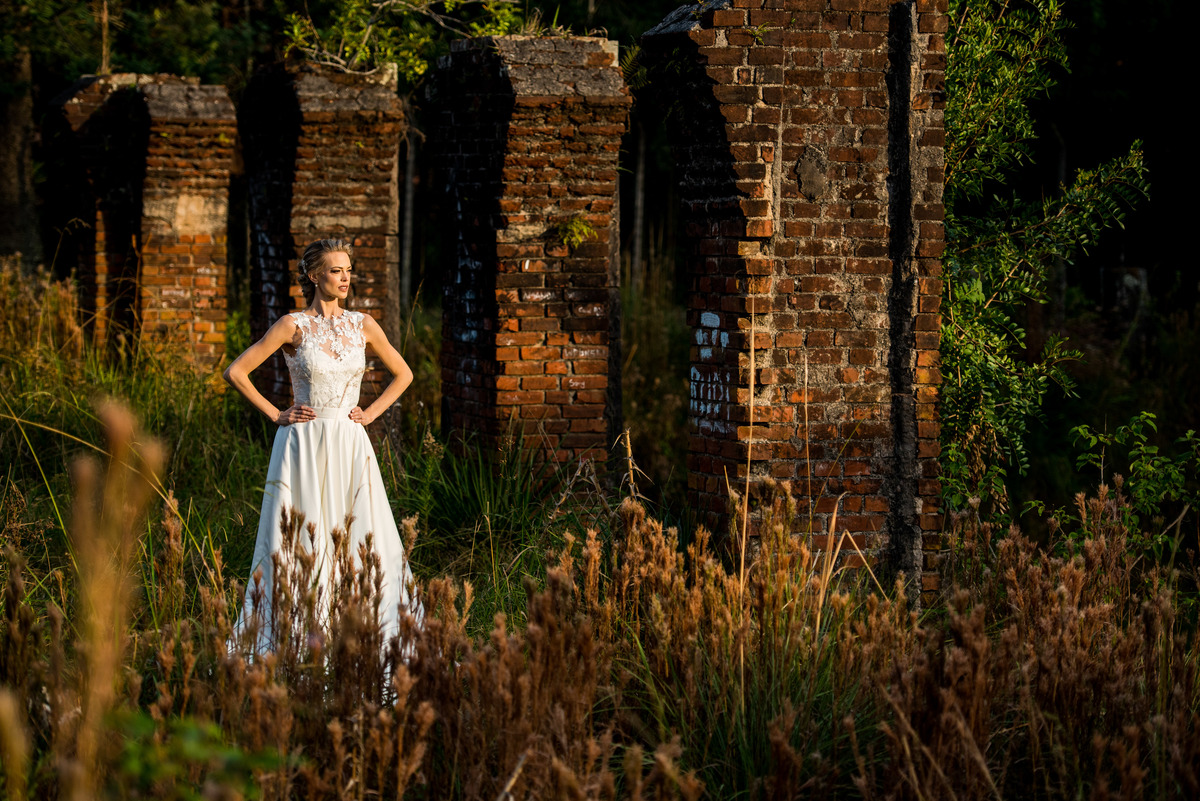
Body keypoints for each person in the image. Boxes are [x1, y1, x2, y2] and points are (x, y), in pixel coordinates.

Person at [223, 238, 421, 652]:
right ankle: (298, 631)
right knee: (303, 536)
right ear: (314, 276)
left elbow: (403, 374)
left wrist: (371, 413)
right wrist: (276, 413)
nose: (345, 278)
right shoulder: (292, 325)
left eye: (348, 270)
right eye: (336, 271)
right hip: (303, 442)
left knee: (359, 531)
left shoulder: (363, 324)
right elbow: (237, 372)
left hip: (350, 441)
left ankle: (360, 629)